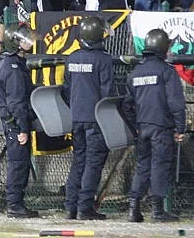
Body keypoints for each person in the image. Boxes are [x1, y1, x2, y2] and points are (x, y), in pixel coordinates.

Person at [122, 29, 187, 223]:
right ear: (163, 48)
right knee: (160, 165)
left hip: (143, 126)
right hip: (162, 127)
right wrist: (180, 127)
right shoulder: (167, 72)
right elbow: (176, 102)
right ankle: (158, 210)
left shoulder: (134, 73)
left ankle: (134, 207)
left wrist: (136, 125)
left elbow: (127, 105)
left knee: (143, 166)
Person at [62, 16, 115, 220]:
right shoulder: (104, 59)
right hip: (96, 118)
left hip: (76, 116)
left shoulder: (72, 58)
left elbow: (66, 89)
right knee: (93, 162)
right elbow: (107, 92)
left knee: (79, 160)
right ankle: (85, 207)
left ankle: (71, 206)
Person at [0, 23, 39, 218]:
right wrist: (21, 128)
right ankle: (14, 204)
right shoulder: (13, 68)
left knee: (19, 162)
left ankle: (17, 203)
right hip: (15, 123)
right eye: (23, 39)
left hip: (15, 121)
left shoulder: (14, 64)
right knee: (18, 163)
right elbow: (16, 102)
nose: (28, 41)